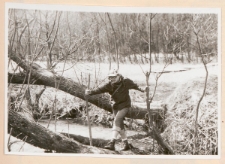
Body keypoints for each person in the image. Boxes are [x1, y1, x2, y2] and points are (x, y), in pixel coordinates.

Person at [85, 69, 145, 151]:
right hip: (115, 106)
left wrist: (143, 89)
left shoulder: (126, 82)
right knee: (120, 125)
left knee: (117, 120)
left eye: (113, 77)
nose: (111, 79)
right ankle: (126, 144)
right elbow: (99, 90)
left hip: (125, 104)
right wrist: (90, 92)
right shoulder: (109, 85)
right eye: (110, 77)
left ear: (118, 76)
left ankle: (112, 142)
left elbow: (136, 86)